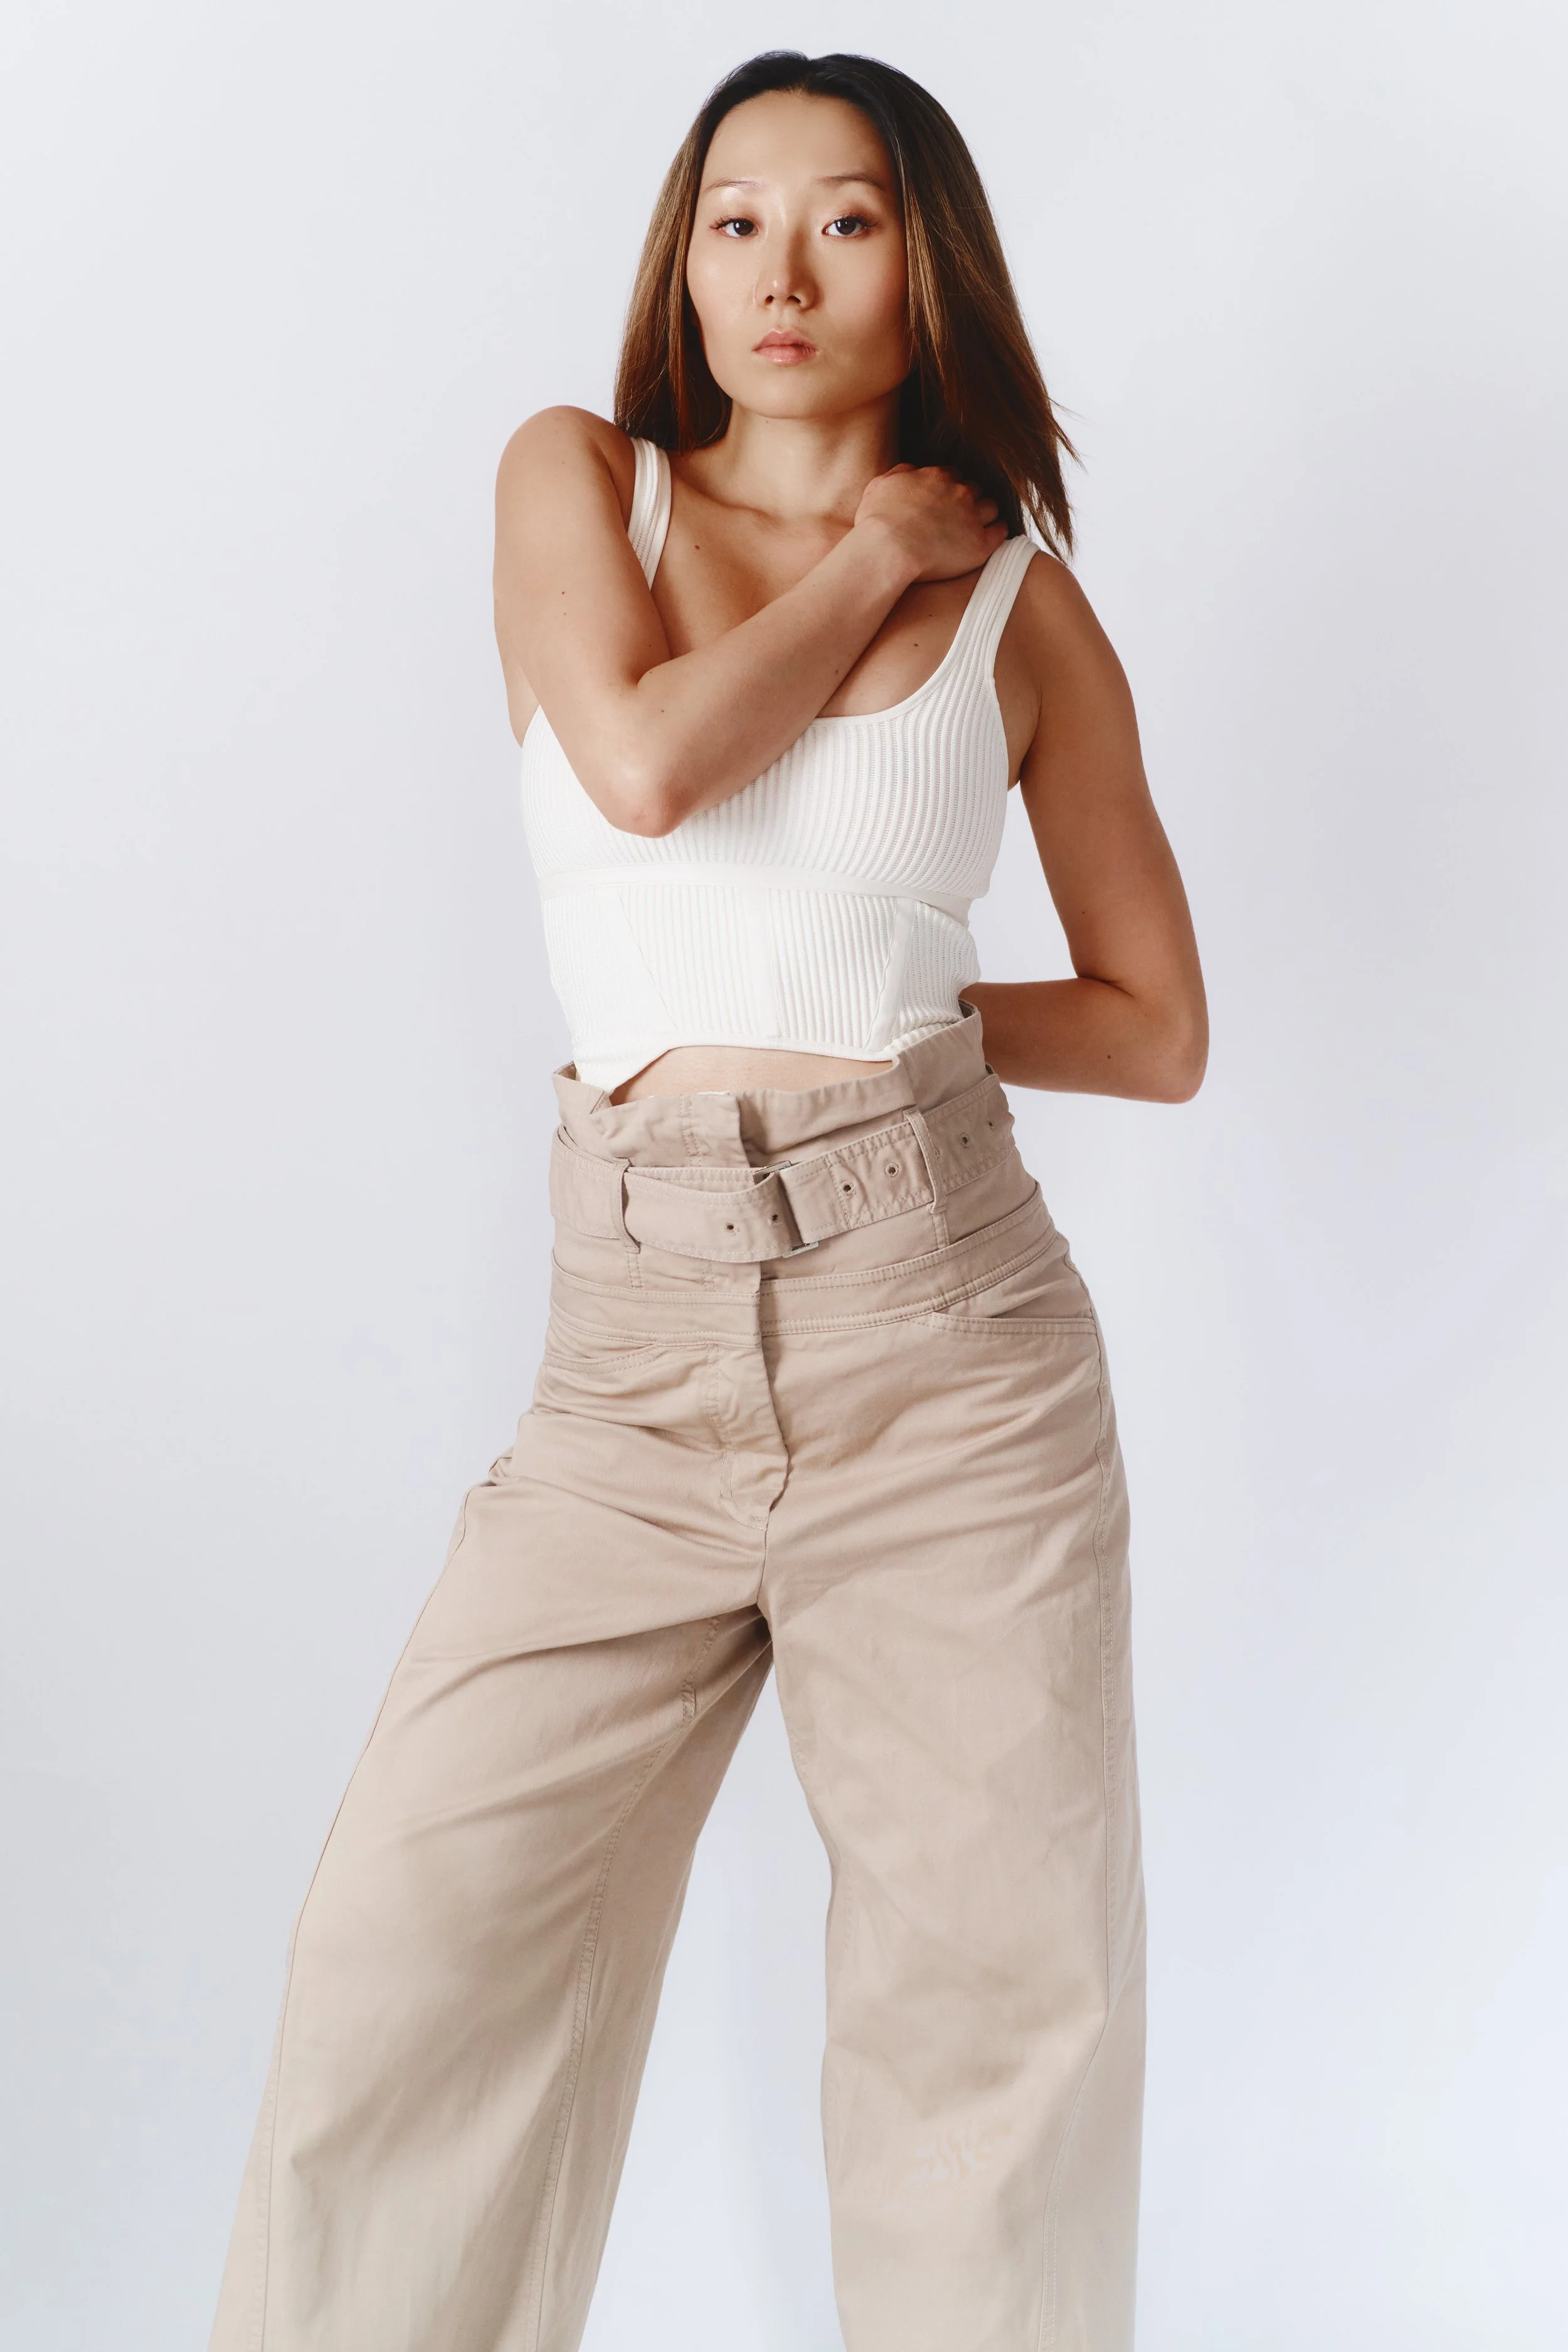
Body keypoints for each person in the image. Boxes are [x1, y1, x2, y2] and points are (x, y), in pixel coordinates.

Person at [209, 48, 1206, 2352]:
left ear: (923, 259)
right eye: (733, 216)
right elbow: (645, 767)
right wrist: (874, 548)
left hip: (944, 1357)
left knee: (990, 2044)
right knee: (400, 1973)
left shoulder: (1024, 624)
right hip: (626, 1372)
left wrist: (896, 1008)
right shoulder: (584, 486)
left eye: (845, 218)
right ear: (680, 256)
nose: (780, 266)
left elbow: (1153, 1022)